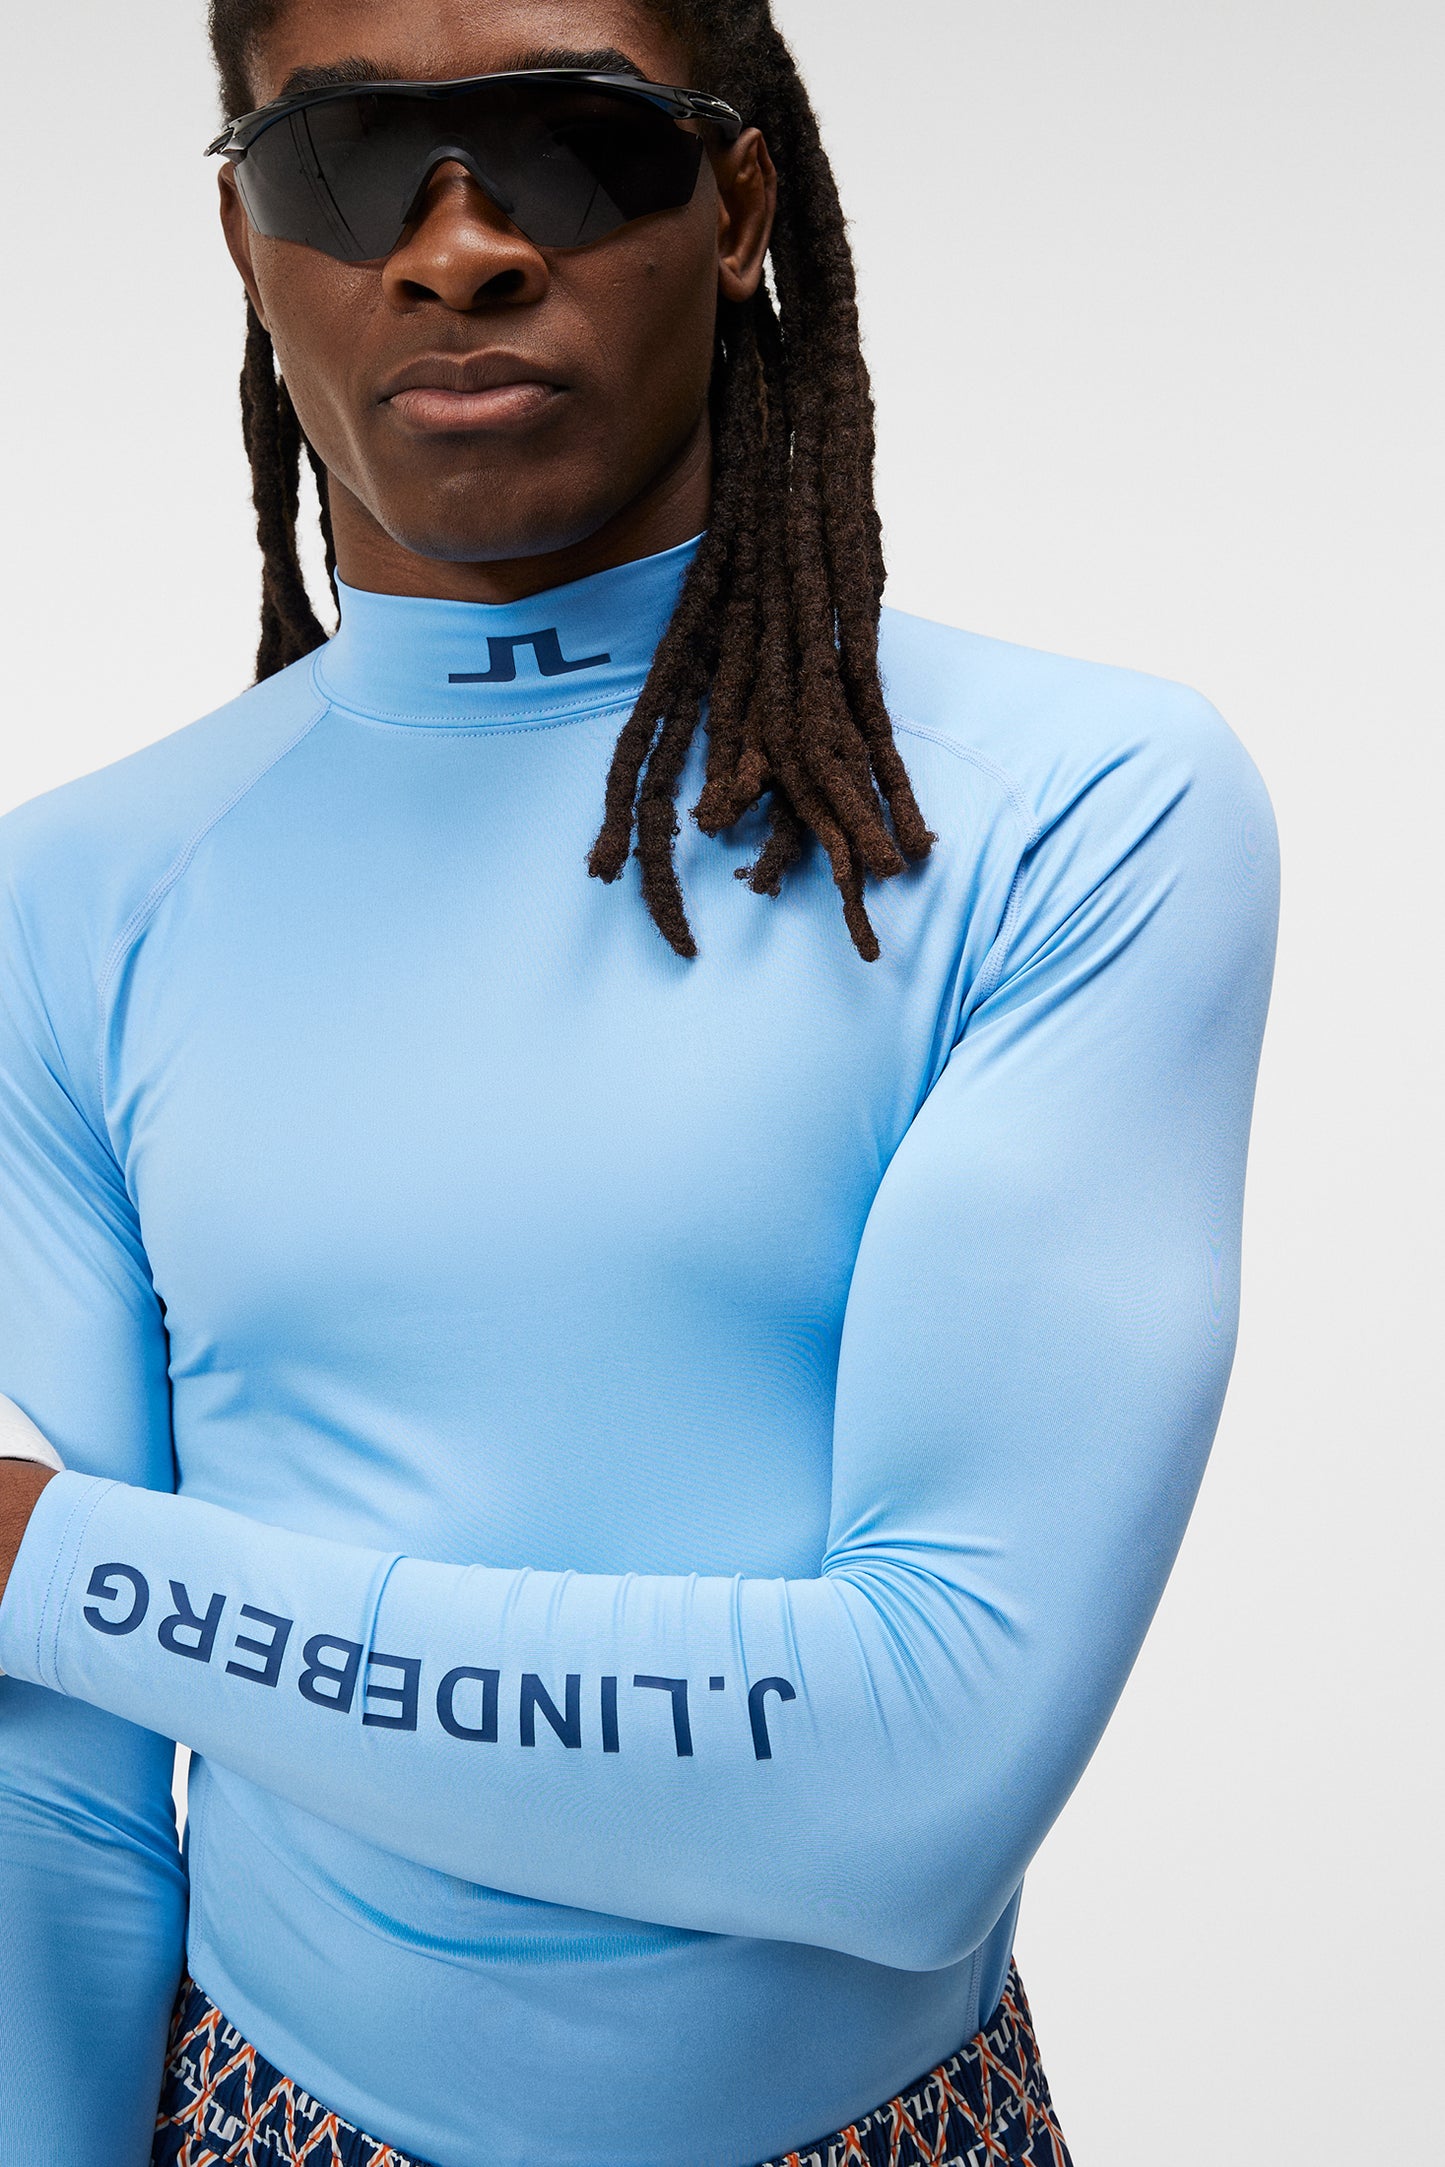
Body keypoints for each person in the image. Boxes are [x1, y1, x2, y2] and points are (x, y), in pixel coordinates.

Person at [0, 1, 1279, 2161]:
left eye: (570, 139)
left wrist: (52, 1562)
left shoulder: (1075, 811)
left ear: (737, 201)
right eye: (346, 159)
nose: (459, 247)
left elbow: (912, 1788)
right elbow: (61, 1811)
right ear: (244, 238)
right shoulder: (72, 898)